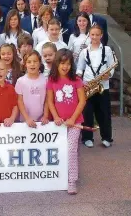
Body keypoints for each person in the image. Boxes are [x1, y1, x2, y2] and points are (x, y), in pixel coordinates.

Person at [47, 49, 86, 194]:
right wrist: (56, 117)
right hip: (58, 124)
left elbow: (82, 101)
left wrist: (72, 119)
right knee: (60, 150)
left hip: (75, 122)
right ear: (57, 63)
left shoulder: (76, 80)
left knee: (71, 149)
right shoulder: (52, 80)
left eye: (68, 64)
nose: (65, 67)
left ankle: (72, 180)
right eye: (62, 63)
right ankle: (60, 175)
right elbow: (50, 101)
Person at [77, 24, 115, 148]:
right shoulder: (84, 51)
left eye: (97, 35)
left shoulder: (107, 50)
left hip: (103, 86)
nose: (94, 37)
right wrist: (81, 82)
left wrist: (108, 74)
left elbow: (111, 65)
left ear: (101, 35)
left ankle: (107, 137)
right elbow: (80, 69)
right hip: (88, 86)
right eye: (92, 34)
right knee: (87, 113)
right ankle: (87, 138)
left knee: (104, 113)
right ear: (89, 35)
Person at [15, 51, 49, 125]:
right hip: (24, 121)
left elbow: (47, 100)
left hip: (41, 121)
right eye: (29, 62)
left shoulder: (45, 80)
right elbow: (19, 101)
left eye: (35, 61)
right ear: (25, 64)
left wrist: (45, 115)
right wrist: (27, 118)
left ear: (40, 63)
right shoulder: (20, 81)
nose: (32, 64)